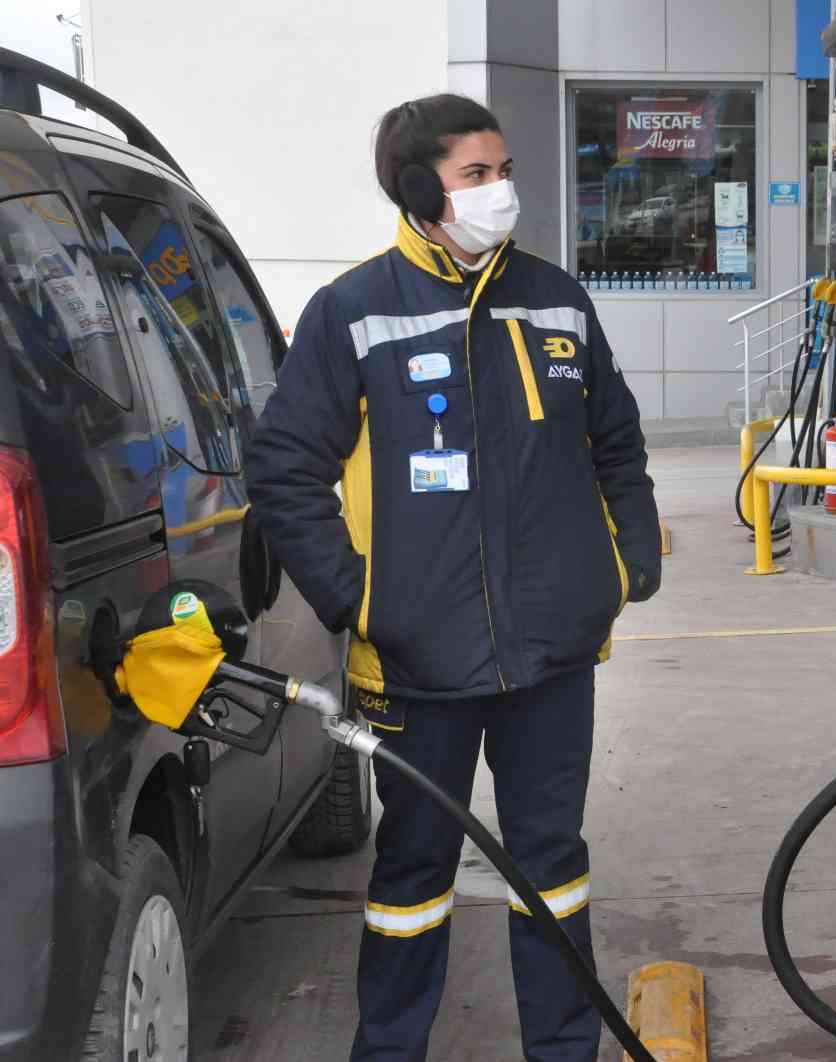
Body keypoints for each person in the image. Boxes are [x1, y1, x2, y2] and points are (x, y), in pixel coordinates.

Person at [246, 94, 659, 1062]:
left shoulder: (557, 299)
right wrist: (361, 601)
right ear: (421, 189)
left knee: (551, 868)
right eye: (479, 175)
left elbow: (618, 440)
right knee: (412, 874)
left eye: (503, 170)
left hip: (553, 658)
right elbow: (283, 470)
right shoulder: (352, 314)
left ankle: (563, 1051)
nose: (501, 191)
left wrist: (624, 561)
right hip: (416, 667)